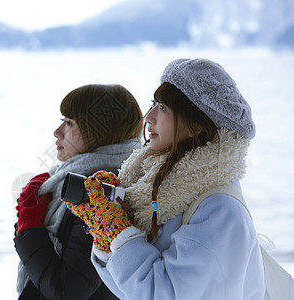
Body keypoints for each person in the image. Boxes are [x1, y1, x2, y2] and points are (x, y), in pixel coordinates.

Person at [68, 59, 266, 299]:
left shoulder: (219, 209)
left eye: (162, 108)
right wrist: (105, 237)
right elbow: (127, 291)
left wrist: (121, 236)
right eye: (153, 104)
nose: (148, 117)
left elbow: (165, 293)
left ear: (196, 125)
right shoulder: (161, 189)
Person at [14, 84, 144, 299]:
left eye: (69, 123)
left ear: (99, 131)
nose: (57, 132)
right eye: (62, 121)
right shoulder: (72, 178)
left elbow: (67, 291)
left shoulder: (100, 191)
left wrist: (29, 228)